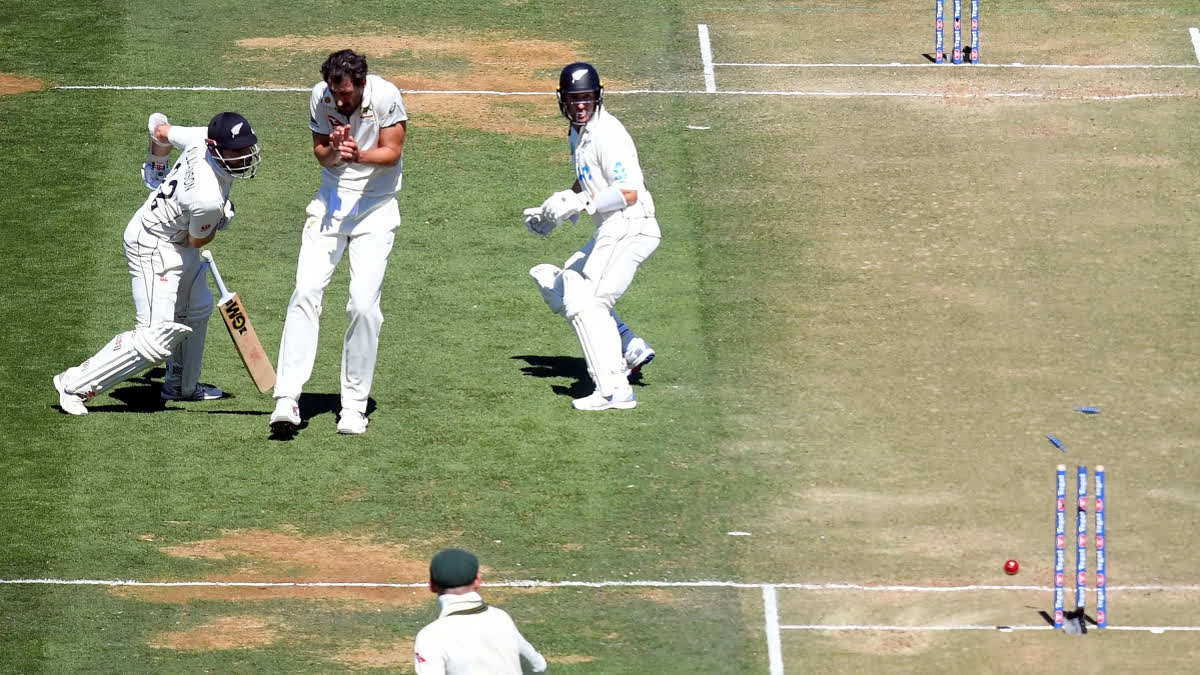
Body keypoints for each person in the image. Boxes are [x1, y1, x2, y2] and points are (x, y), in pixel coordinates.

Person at [53, 111, 261, 416]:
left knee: (197, 309)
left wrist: (156, 167)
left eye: (247, 147)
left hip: (175, 237)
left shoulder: (200, 137)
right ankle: (73, 383)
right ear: (214, 147)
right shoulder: (207, 198)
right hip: (152, 244)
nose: (245, 155)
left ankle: (181, 386)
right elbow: (197, 241)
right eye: (237, 151)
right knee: (156, 338)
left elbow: (158, 127)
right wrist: (223, 218)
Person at [269, 49, 408, 436]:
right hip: (330, 205)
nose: (341, 101)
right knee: (305, 291)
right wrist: (334, 149)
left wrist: (359, 154)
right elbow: (321, 156)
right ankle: (287, 397)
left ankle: (353, 406)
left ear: (362, 84)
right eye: (336, 93)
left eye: (347, 94)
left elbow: (393, 153)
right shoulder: (320, 96)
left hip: (375, 210)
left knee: (363, 305)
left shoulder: (386, 96)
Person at [525, 61, 661, 411]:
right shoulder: (578, 132)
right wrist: (555, 207)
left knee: (589, 303)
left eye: (586, 98)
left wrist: (582, 202)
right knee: (566, 283)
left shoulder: (608, 135)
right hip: (612, 227)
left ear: (598, 98)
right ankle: (628, 351)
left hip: (632, 224)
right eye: (574, 99)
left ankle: (614, 391)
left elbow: (629, 191)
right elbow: (586, 178)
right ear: (563, 101)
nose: (580, 105)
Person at [413, 548, 547, 675]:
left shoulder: (430, 637)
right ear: (477, 581)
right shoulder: (501, 619)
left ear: (431, 585)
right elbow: (538, 666)